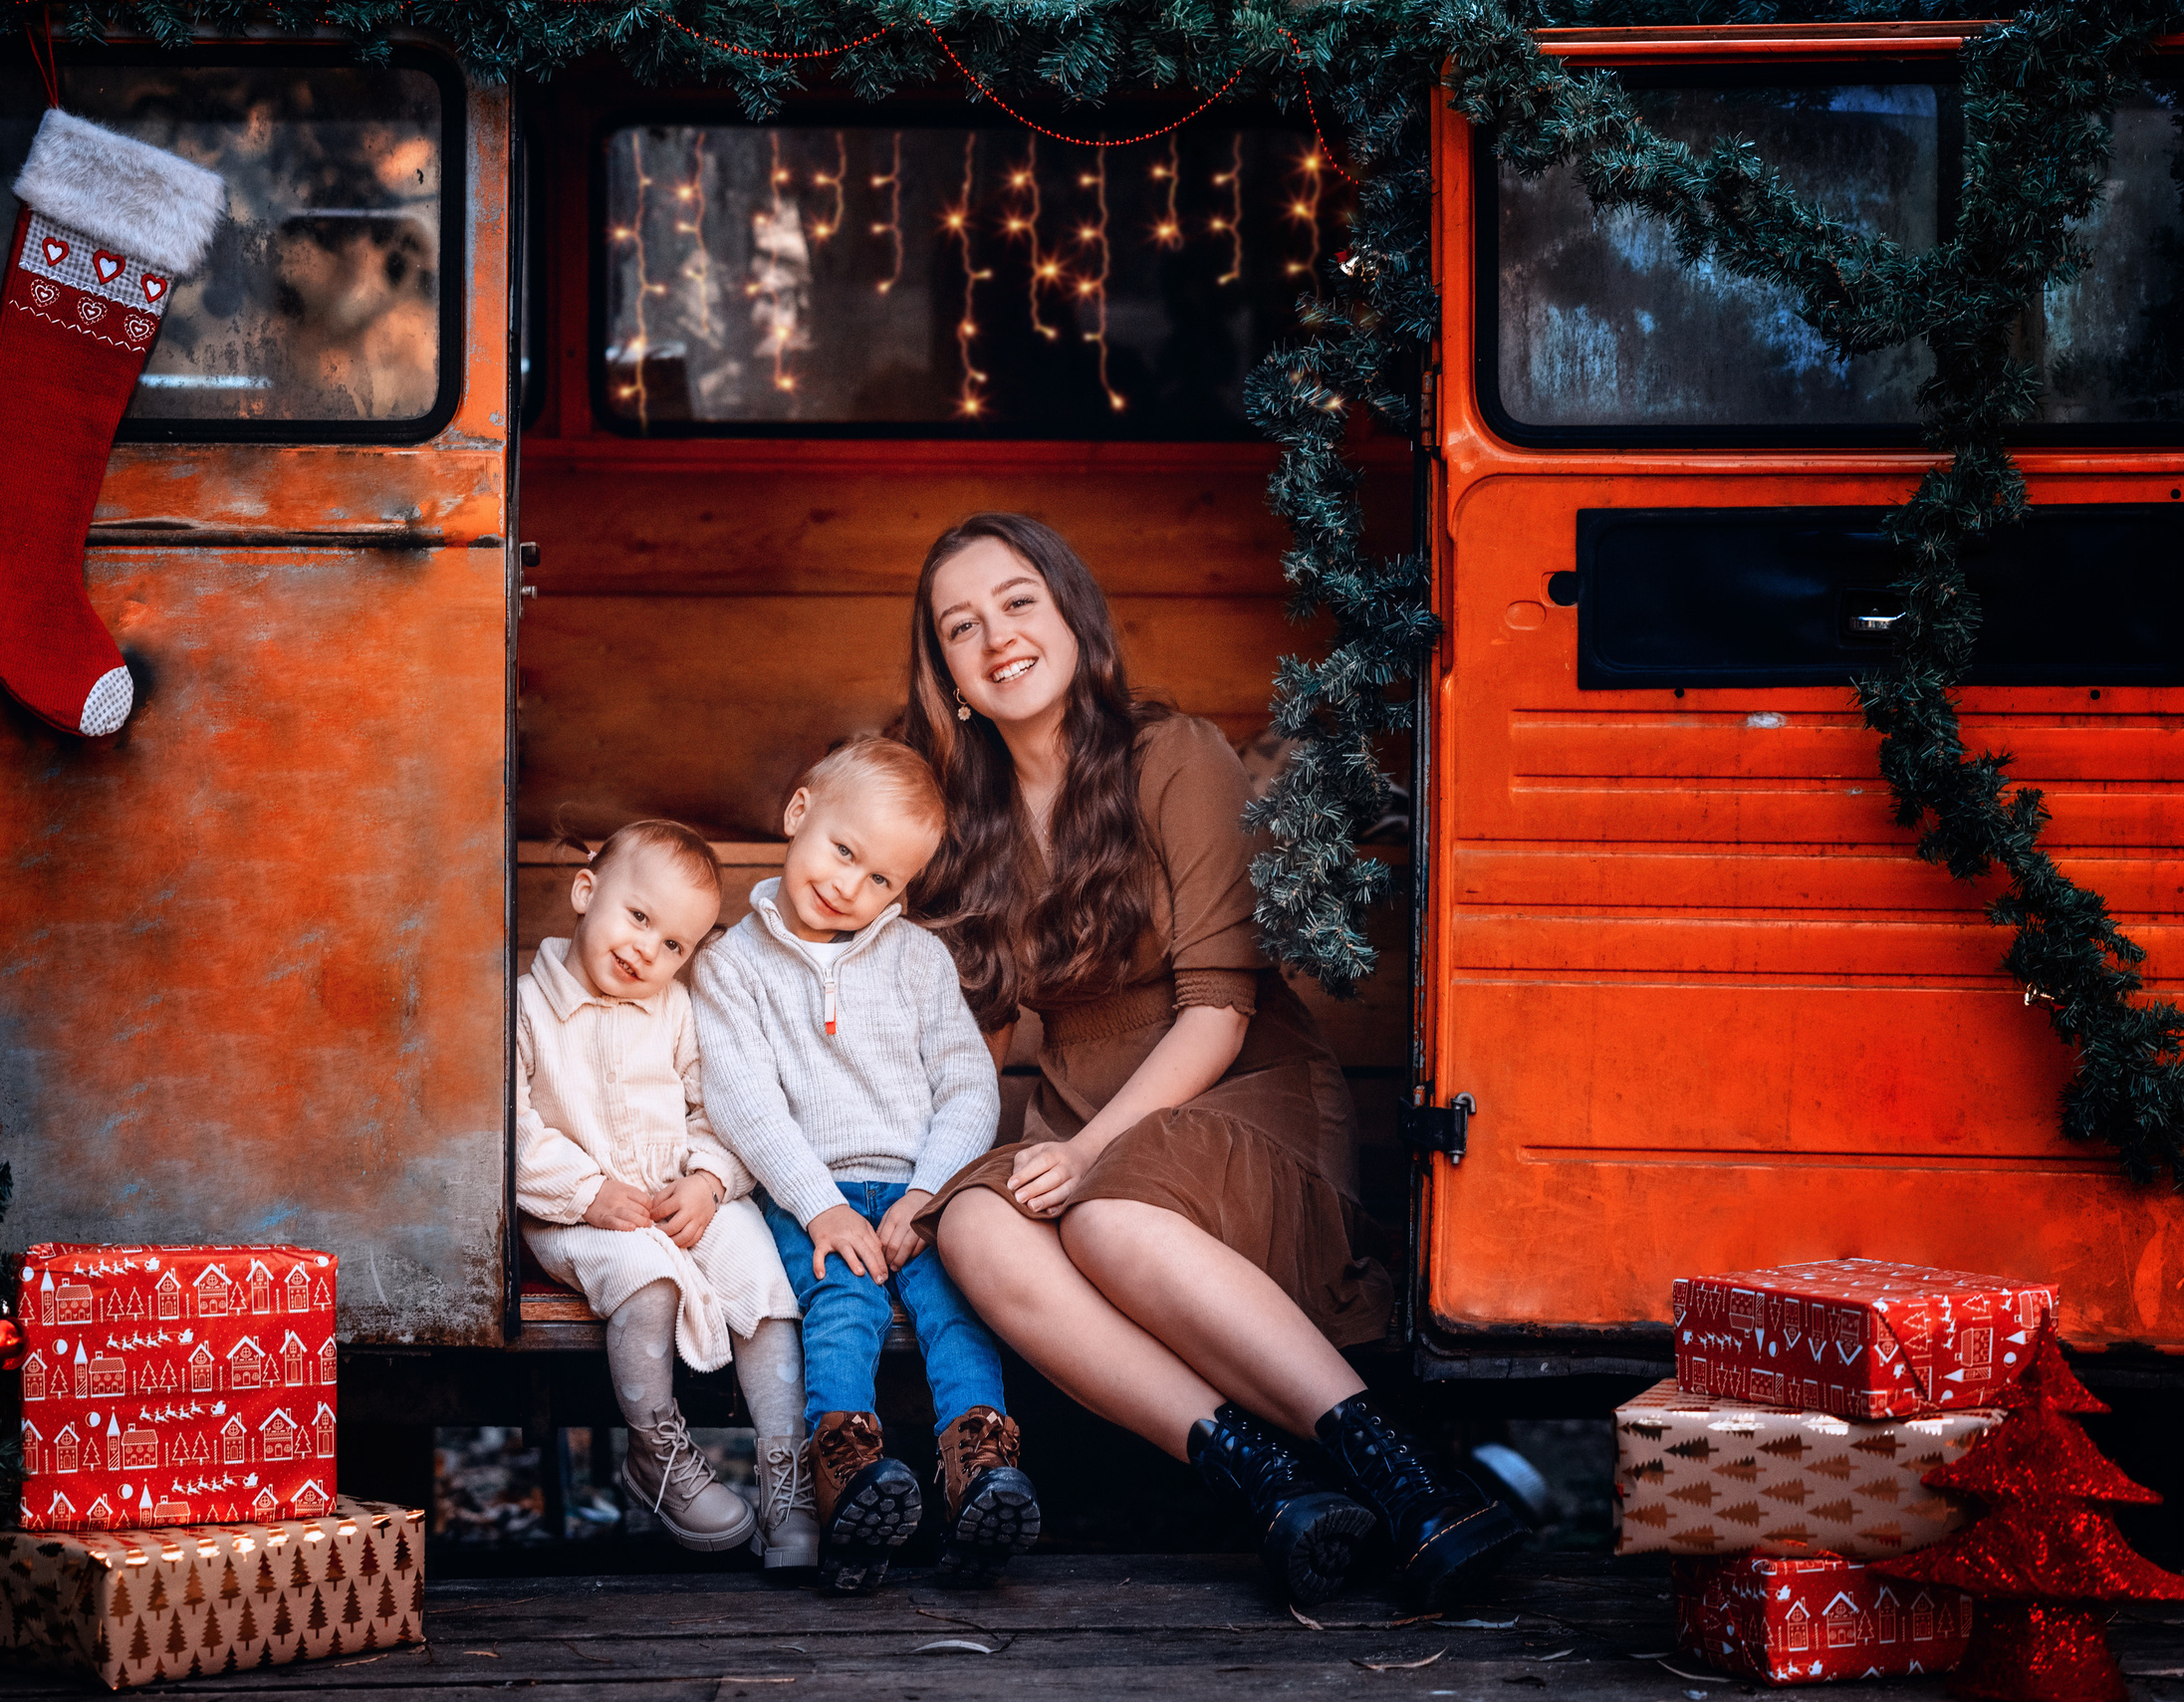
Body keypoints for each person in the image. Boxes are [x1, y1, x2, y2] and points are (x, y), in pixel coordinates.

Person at [904, 513, 1524, 1609]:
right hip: (1083, 1110)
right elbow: (971, 1037)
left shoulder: (1170, 751)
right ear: (948, 676)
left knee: (1102, 1212)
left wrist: (1089, 1152)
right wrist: (903, 1181)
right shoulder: (968, 821)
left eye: (1016, 601)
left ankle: (1415, 1480)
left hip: (1239, 1086)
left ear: (1069, 615)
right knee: (971, 1222)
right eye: (961, 627)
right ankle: (1269, 1479)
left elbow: (1219, 1007)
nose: (995, 635)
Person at [692, 738, 1041, 1595]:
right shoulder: (732, 966)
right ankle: (850, 1481)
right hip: (812, 1189)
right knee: (841, 1302)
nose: (851, 886)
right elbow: (745, 1104)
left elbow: (968, 1085)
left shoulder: (918, 961)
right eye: (844, 851)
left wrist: (928, 1194)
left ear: (904, 890)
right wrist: (817, 1205)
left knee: (957, 1304)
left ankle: (981, 1472)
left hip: (919, 1189)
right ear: (799, 812)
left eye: (880, 879)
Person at [512, 820, 815, 1567]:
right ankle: (658, 1457)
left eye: (675, 944)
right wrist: (586, 1192)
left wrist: (712, 1181)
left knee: (760, 1274)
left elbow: (718, 1109)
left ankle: (789, 1477)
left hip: (676, 1195)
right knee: (644, 1282)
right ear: (586, 892)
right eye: (639, 917)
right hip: (571, 1214)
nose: (649, 949)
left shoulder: (676, 1010)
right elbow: (505, 1128)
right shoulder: (524, 1006)